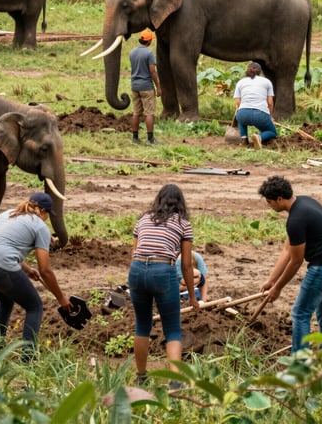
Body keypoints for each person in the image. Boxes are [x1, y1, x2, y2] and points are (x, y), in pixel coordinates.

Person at [258, 175, 322, 352]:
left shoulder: (296, 220)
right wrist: (271, 280)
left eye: (269, 202)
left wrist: (278, 288)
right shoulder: (304, 202)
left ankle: (299, 360)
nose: (269, 206)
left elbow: (296, 261)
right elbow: (287, 250)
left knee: (300, 313)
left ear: (279, 199)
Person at [0, 192, 71, 353]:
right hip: (0, 266)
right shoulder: (40, 226)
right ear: (43, 211)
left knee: (6, 300)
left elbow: (1, 244)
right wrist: (61, 298)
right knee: (34, 306)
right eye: (48, 215)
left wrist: (27, 269)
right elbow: (45, 270)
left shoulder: (7, 214)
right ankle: (28, 357)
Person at [128, 184, 199, 388]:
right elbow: (187, 265)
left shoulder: (143, 219)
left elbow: (134, 253)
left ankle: (141, 377)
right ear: (181, 203)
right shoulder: (184, 224)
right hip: (163, 271)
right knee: (173, 329)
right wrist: (192, 297)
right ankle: (175, 382)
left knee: (142, 326)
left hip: (137, 270)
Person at [234, 61, 277, 149]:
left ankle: (244, 139)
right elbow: (270, 103)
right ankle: (259, 137)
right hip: (260, 114)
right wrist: (270, 117)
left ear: (248, 70)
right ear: (260, 72)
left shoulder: (240, 82)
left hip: (243, 114)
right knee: (272, 132)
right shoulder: (267, 82)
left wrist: (238, 114)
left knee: (240, 117)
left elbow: (238, 103)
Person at [129, 29, 162, 145]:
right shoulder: (149, 53)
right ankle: (150, 139)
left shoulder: (132, 52)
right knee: (149, 113)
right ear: (149, 41)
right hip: (146, 86)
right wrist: (158, 87)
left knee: (136, 113)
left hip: (134, 86)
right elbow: (152, 71)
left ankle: (135, 138)